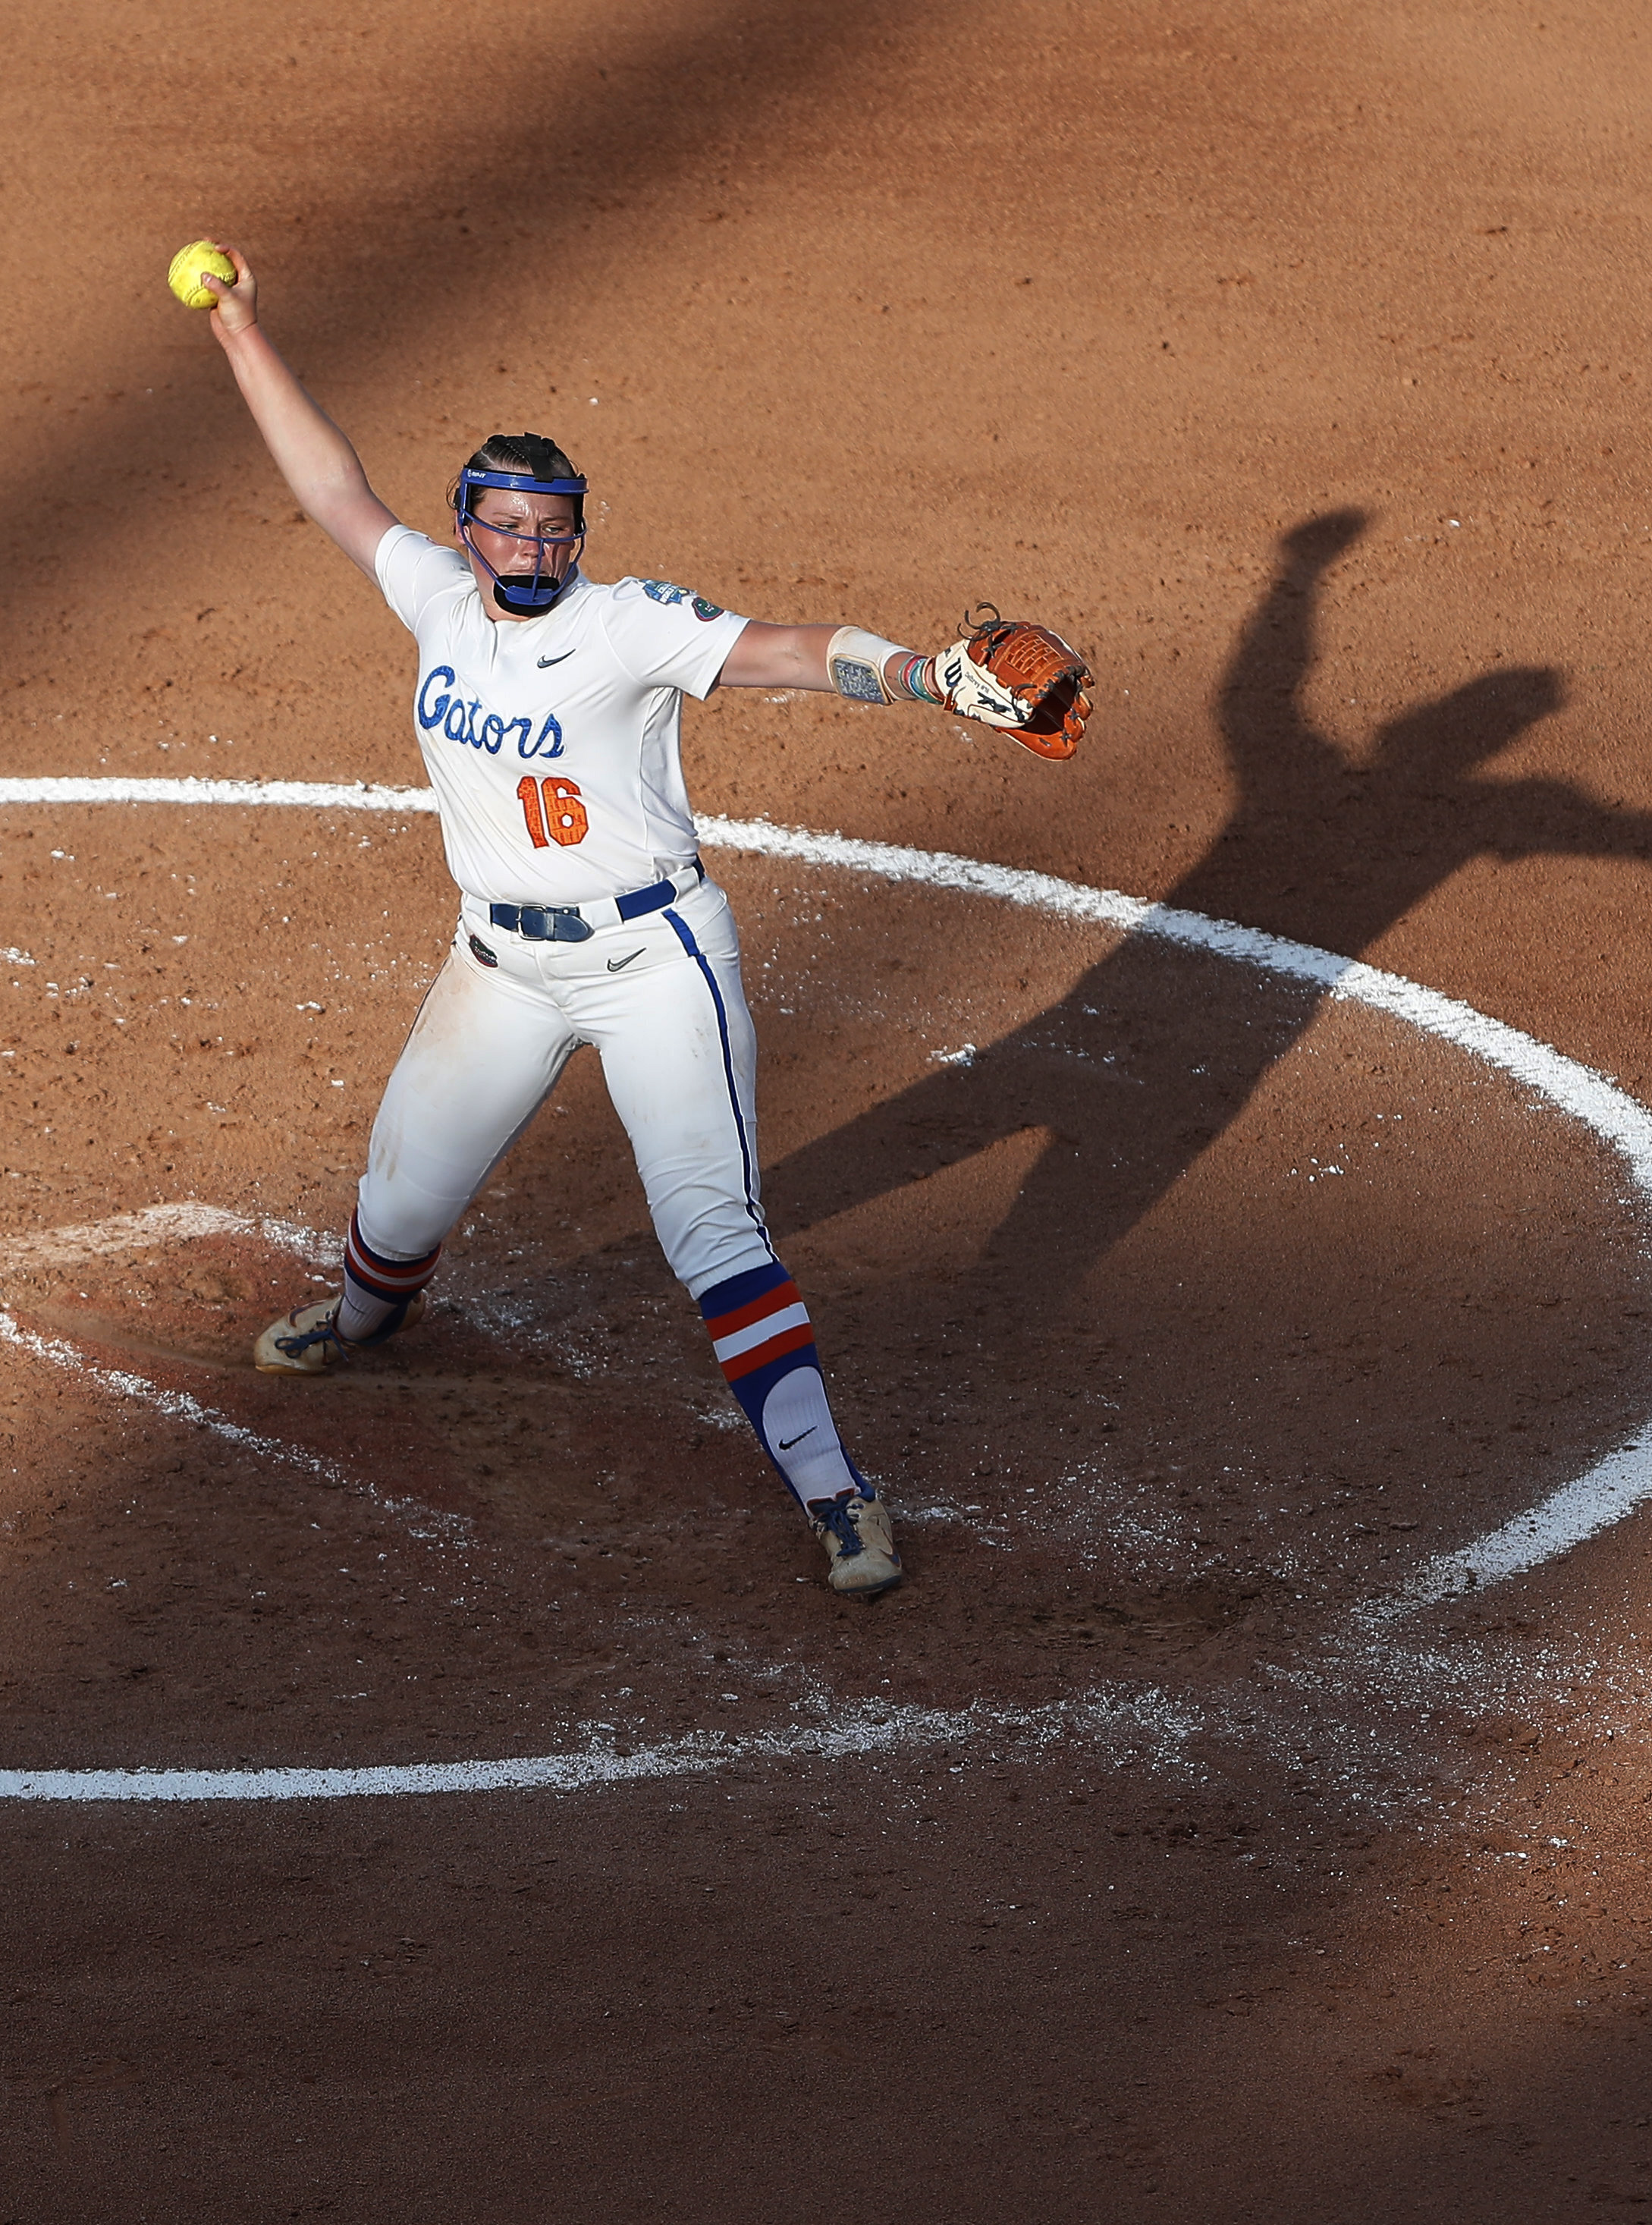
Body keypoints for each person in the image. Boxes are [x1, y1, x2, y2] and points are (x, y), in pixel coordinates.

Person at [187, 241, 1076, 1598]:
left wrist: (918, 674)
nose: (535, 550)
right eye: (510, 528)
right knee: (399, 1199)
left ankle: (838, 1493)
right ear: (469, 528)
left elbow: (783, 648)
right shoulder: (435, 599)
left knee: (711, 1228)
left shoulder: (624, 625)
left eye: (556, 530)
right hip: (497, 965)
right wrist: (240, 330)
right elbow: (330, 487)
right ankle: (364, 1323)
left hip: (651, 959)